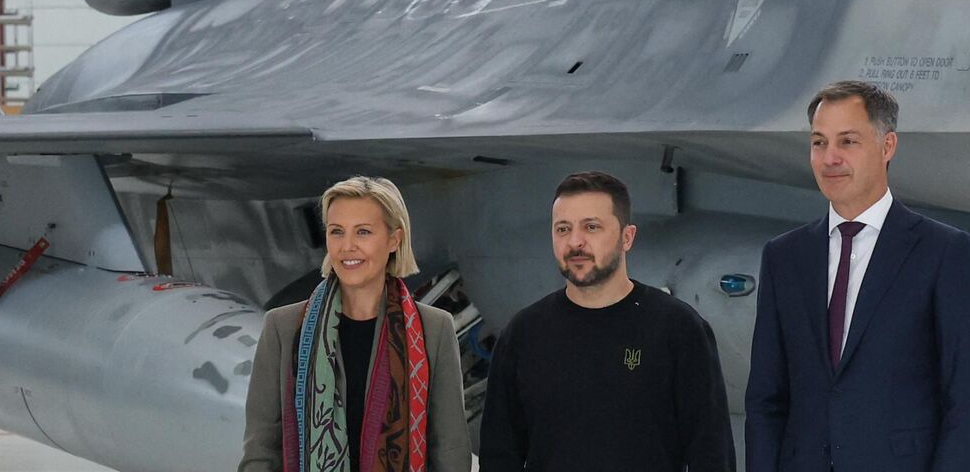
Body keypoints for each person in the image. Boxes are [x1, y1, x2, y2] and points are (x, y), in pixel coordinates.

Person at [745, 81, 970, 472]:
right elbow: (765, 399)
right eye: (818, 143)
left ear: (887, 146)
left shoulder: (944, 252)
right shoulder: (783, 257)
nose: (830, 158)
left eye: (847, 142)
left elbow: (969, 402)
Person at [479, 171, 735, 472]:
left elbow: (712, 453)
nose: (575, 242)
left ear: (627, 237)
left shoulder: (678, 328)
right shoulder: (523, 335)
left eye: (591, 227)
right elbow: (499, 457)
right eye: (563, 229)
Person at [241, 176, 471, 471]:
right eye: (337, 232)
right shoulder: (282, 328)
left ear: (394, 239)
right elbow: (261, 448)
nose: (347, 246)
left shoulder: (435, 328)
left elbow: (451, 449)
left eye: (363, 232)